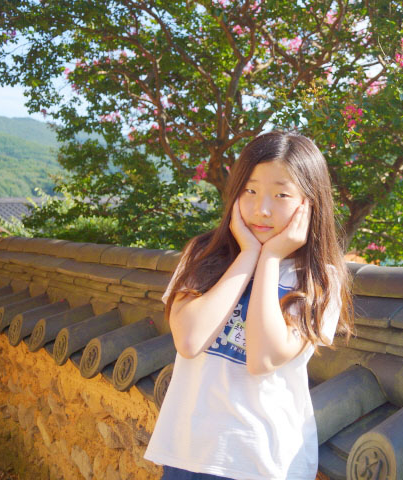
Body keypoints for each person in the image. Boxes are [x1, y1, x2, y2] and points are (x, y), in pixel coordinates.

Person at [144, 131, 354, 480]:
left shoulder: (319, 279)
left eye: (281, 194)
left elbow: (263, 360)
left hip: (262, 461)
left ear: (309, 203)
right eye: (250, 190)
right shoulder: (202, 255)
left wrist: (270, 258)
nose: (262, 209)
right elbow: (190, 340)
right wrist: (248, 255)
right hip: (188, 453)